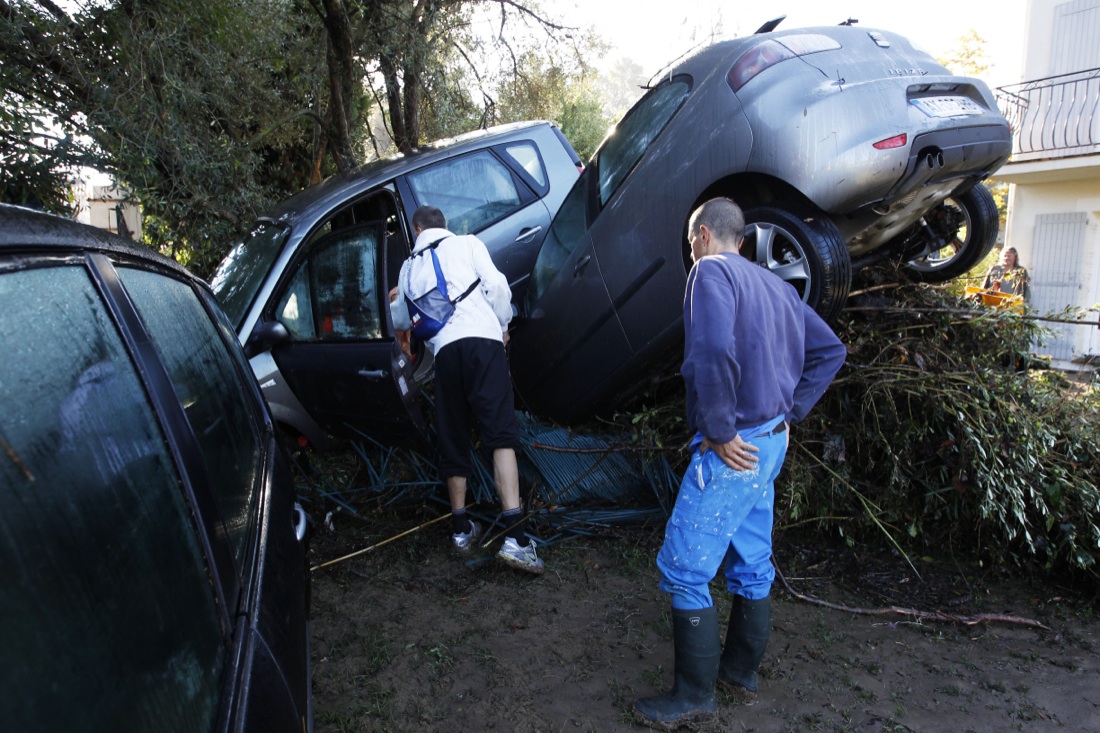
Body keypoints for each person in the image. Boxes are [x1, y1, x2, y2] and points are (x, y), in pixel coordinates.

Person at [633, 198, 846, 730]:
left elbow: (711, 352)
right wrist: (791, 410)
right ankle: (739, 672)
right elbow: (830, 351)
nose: (691, 253)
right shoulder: (776, 286)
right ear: (743, 240)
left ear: (704, 236)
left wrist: (720, 429)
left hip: (736, 445)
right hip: (770, 442)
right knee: (751, 560)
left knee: (685, 567)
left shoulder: (710, 274)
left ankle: (693, 697)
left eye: (690, 244)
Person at [391, 205, 544, 574]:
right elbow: (497, 286)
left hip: (445, 354)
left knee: (453, 434)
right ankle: (516, 538)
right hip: (483, 343)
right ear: (444, 225)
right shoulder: (467, 244)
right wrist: (503, 325)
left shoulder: (408, 267)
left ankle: (461, 530)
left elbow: (401, 318)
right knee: (500, 434)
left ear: (417, 230)